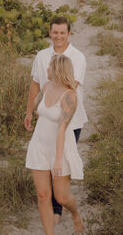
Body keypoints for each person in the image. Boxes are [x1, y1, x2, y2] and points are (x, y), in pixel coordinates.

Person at [24, 16, 87, 221]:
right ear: (50, 33)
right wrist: (29, 111)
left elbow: (70, 87)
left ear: (69, 34)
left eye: (62, 32)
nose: (58, 36)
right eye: (55, 32)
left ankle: (59, 207)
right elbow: (35, 84)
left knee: (60, 166)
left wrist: (49, 102)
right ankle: (54, 209)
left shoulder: (77, 57)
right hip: (45, 119)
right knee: (46, 164)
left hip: (70, 122)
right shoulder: (42, 56)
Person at [25, 54, 85, 235]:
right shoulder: (46, 87)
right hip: (38, 145)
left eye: (49, 67)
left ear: (58, 70)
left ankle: (75, 214)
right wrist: (30, 111)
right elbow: (39, 108)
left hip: (59, 148)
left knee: (61, 197)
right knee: (43, 195)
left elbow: (61, 129)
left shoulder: (70, 96)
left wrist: (58, 161)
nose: (47, 71)